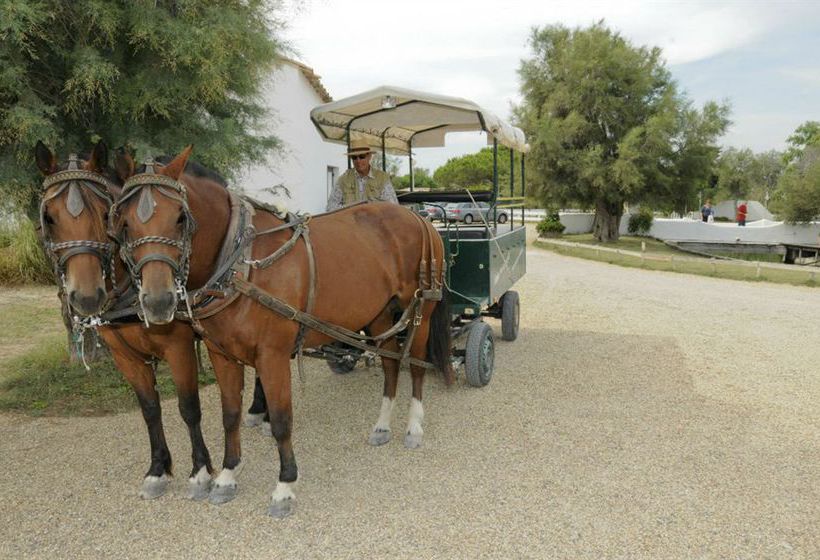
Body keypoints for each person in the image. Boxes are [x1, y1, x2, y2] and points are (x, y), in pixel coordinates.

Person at [326, 138, 398, 211]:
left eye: (362, 156)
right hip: (350, 221)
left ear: (369, 156)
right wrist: (350, 209)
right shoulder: (343, 180)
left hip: (375, 221)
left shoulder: (382, 178)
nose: (358, 161)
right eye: (354, 157)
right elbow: (330, 207)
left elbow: (393, 207)